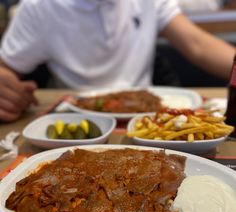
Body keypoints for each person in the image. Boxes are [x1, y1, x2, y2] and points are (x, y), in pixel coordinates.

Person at [0, 0, 235, 122]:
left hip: (148, 117)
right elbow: (5, 66)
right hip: (80, 117)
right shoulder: (38, 8)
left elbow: (198, 44)